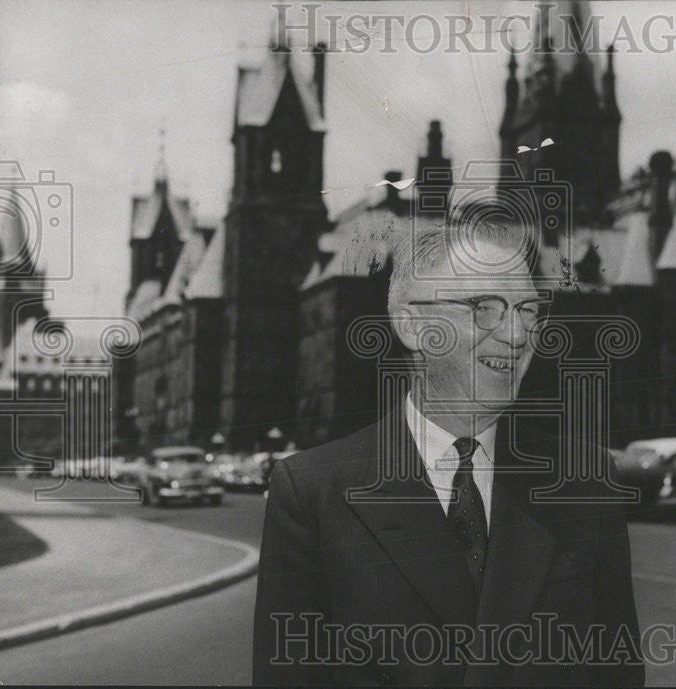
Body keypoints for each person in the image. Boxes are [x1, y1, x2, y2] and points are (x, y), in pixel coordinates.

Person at [253, 219, 643, 686]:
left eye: (528, 311)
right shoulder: (314, 493)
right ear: (413, 326)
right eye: (485, 307)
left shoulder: (586, 483)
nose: (517, 335)